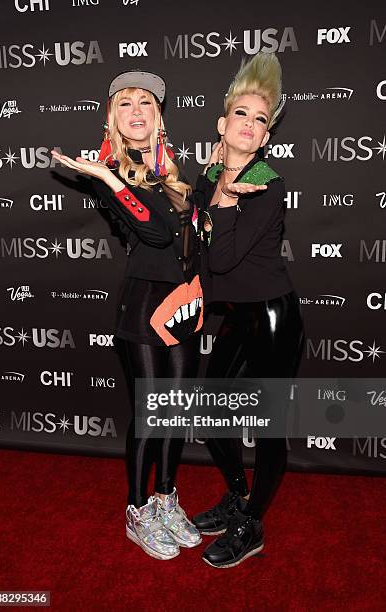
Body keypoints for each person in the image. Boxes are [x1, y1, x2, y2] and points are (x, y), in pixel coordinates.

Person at [51, 69, 202, 560]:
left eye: (145, 103)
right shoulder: (105, 173)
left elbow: (190, 239)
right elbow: (154, 232)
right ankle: (137, 511)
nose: (136, 111)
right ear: (112, 117)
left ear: (159, 117)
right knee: (150, 410)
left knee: (177, 410)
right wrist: (108, 176)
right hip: (142, 305)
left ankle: (166, 499)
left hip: (183, 300)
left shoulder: (173, 170)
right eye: (125, 104)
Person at [191, 52, 304, 568]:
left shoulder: (264, 184)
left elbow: (226, 254)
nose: (250, 124)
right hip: (238, 313)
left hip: (274, 319)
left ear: (265, 137)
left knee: (268, 425)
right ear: (222, 122)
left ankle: (252, 524)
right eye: (243, 113)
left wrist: (226, 202)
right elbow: (201, 256)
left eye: (261, 120)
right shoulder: (208, 174)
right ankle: (238, 495)